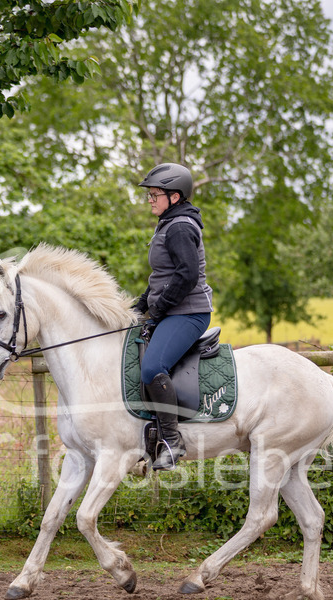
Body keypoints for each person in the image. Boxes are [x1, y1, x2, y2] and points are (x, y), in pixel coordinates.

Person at [133, 162, 213, 471]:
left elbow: (186, 276)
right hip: (174, 309)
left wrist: (157, 310)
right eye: (149, 195)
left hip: (189, 312)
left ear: (175, 197)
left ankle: (172, 441)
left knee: (153, 367)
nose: (150, 199)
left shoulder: (179, 227)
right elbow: (161, 277)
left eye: (155, 194)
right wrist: (139, 308)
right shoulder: (168, 223)